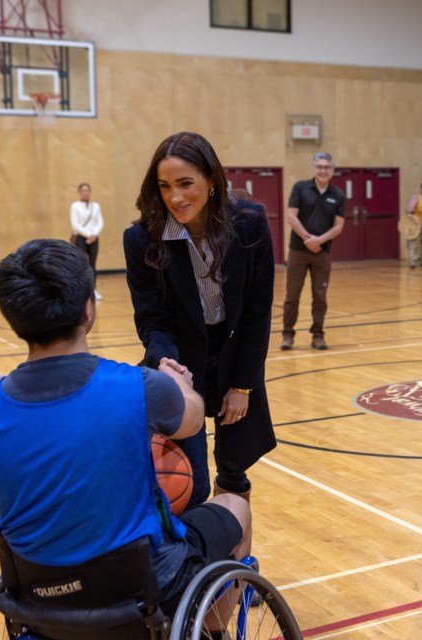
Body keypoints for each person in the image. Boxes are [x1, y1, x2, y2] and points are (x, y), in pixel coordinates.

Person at [0, 238, 252, 620]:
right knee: (235, 505)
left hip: (36, 596)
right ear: (88, 310)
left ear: (14, 319)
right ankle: (213, 631)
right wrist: (180, 385)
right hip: (142, 589)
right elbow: (193, 420)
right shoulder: (140, 386)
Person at [124, 131, 276, 508]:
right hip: (177, 359)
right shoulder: (142, 240)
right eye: (165, 186)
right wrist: (168, 366)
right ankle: (190, 561)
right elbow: (152, 319)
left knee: (234, 469)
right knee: (187, 482)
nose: (175, 197)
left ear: (211, 181)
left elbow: (257, 311)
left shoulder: (249, 224)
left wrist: (242, 385)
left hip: (233, 354)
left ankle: (233, 562)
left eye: (185, 184)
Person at [281, 152, 346, 351]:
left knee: (320, 296)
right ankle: (287, 335)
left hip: (323, 253)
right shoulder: (300, 188)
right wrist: (308, 238)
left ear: (333, 170)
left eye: (327, 167)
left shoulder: (339, 195)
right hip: (298, 252)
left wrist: (319, 240)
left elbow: (339, 226)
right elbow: (291, 217)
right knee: (292, 295)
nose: (323, 170)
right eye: (319, 166)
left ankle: (318, 335)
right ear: (314, 168)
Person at [70, 182, 104, 301]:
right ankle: (81, 291)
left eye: (87, 190)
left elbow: (100, 222)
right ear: (79, 192)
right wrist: (88, 235)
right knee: (82, 264)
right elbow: (75, 224)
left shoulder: (96, 206)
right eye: (83, 190)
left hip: (94, 238)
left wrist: (94, 234)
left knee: (92, 264)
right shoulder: (75, 206)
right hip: (81, 238)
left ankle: (92, 290)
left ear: (90, 192)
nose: (85, 192)